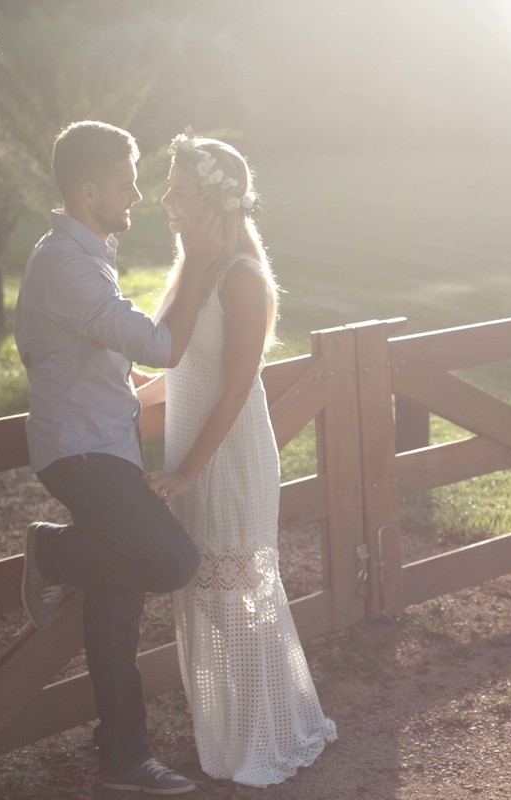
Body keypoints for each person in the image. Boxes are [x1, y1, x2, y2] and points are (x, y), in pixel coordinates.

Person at [137, 130, 337, 787]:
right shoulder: (193, 267)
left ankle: (263, 736)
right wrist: (132, 399)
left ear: (217, 203)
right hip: (191, 449)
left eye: (178, 190)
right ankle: (224, 735)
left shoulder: (242, 278)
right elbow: (178, 365)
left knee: (236, 598)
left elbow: (233, 386)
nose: (164, 199)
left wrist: (189, 469)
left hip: (229, 454)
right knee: (200, 596)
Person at [14, 120, 204, 795]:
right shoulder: (65, 265)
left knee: (117, 607)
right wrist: (208, 258)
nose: (137, 191)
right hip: (82, 453)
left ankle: (124, 759)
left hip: (105, 446)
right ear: (88, 188)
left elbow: (85, 357)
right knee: (173, 560)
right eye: (125, 179)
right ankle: (52, 553)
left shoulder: (85, 253)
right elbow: (156, 343)